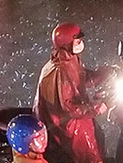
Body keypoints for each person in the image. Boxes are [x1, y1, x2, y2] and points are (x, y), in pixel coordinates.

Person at [34, 22, 103, 163]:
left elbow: (81, 77)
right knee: (90, 157)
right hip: (68, 124)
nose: (80, 44)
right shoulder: (60, 69)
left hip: (70, 117)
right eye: (77, 41)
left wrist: (105, 73)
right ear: (67, 43)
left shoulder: (69, 58)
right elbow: (70, 107)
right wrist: (98, 108)